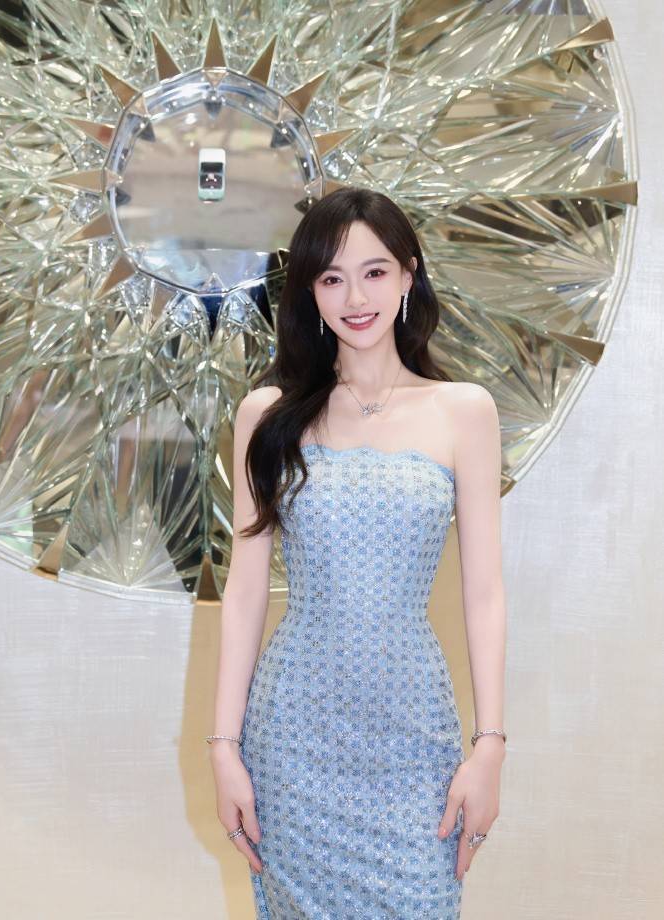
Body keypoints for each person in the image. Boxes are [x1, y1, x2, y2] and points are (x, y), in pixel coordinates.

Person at [207, 187, 507, 918]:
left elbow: (485, 594)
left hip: (413, 737)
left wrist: (490, 746)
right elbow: (245, 592)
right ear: (311, 293)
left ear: (408, 275)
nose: (356, 298)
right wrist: (224, 747)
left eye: (374, 272)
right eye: (332, 278)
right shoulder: (267, 416)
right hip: (293, 740)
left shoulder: (463, 410)